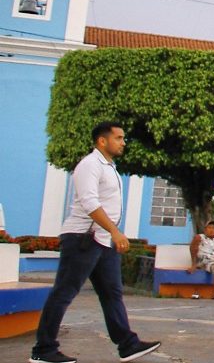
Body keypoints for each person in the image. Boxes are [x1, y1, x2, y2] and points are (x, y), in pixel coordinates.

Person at [29, 121, 161, 363]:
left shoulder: (109, 167)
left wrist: (110, 234)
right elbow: (90, 203)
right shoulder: (90, 165)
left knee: (112, 293)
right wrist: (115, 231)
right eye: (119, 138)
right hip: (83, 238)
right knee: (64, 292)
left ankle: (127, 344)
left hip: (101, 240)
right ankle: (43, 350)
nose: (123, 142)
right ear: (103, 140)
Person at [186, 220, 214, 300]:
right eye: (209, 228)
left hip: (212, 262)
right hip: (201, 261)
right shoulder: (200, 237)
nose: (211, 230)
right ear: (205, 229)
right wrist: (193, 265)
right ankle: (195, 265)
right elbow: (192, 249)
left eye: (213, 228)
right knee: (196, 238)